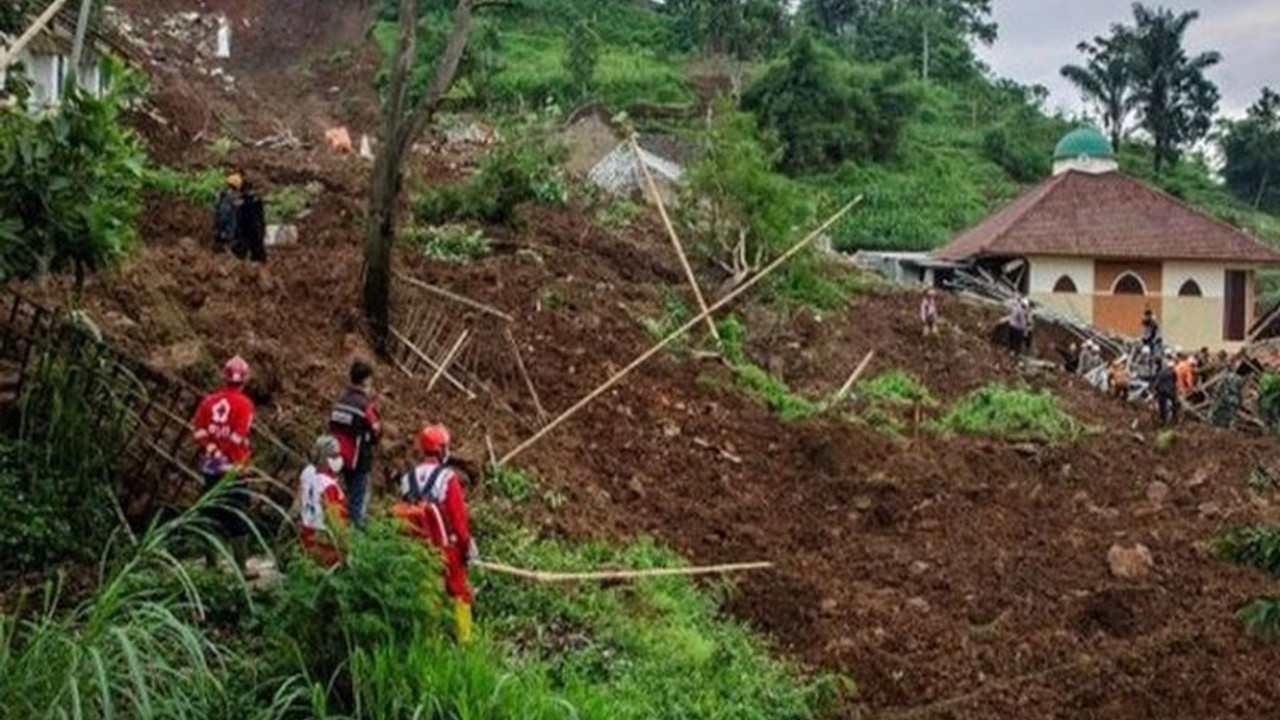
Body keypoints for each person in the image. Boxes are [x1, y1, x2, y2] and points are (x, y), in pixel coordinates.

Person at [392, 425, 477, 644]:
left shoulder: (407, 479)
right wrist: (466, 546)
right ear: (441, 449)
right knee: (460, 591)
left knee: (427, 593)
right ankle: (465, 641)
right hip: (445, 546)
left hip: (417, 547)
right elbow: (458, 518)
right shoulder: (447, 478)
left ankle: (429, 643)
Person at [190, 355, 256, 570]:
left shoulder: (209, 401)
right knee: (237, 517)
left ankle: (211, 564)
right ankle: (241, 569)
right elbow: (238, 435)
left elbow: (197, 429)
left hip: (211, 469)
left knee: (210, 513)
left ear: (224, 378)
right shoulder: (245, 404)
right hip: (235, 470)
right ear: (244, 381)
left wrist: (212, 450)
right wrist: (224, 453)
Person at [329, 360, 382, 525]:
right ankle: (354, 540)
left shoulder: (339, 402)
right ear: (366, 380)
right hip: (358, 461)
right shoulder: (365, 406)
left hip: (335, 457)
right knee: (357, 503)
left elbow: (331, 425)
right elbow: (376, 430)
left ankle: (335, 531)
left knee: (334, 498)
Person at [299, 434, 349, 567]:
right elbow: (335, 520)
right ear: (326, 459)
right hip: (324, 543)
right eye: (335, 456)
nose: (339, 459)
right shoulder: (329, 485)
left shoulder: (307, 477)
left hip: (307, 537)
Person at [231, 178, 267, 263]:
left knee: (243, 247)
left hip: (246, 228)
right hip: (255, 227)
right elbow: (260, 216)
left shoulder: (241, 202)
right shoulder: (256, 200)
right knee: (256, 247)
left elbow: (238, 217)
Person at [212, 170, 243, 251]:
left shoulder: (222, 194)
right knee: (228, 233)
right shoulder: (233, 196)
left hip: (219, 219)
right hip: (227, 220)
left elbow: (216, 207)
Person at [1153, 357, 1179, 426]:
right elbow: (1175, 381)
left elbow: (1157, 382)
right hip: (1170, 391)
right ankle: (1175, 417)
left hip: (1162, 391)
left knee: (1162, 406)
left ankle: (1163, 419)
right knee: (1174, 403)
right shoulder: (1173, 373)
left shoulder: (1161, 372)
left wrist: (1155, 390)